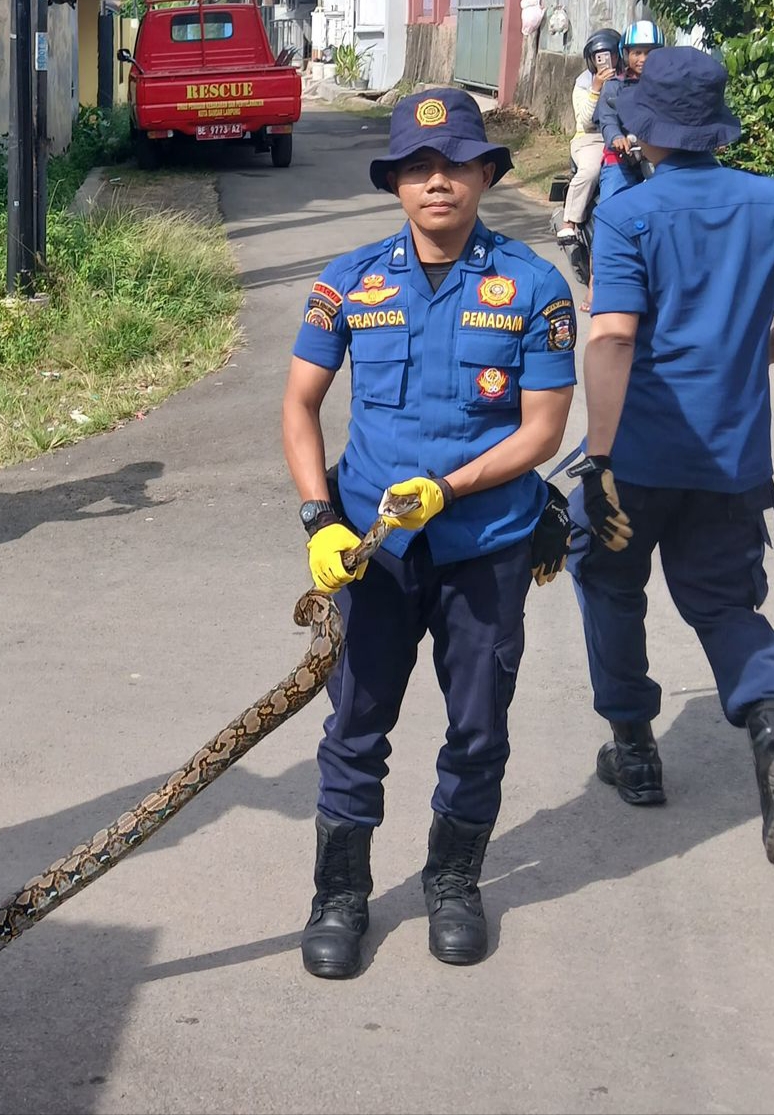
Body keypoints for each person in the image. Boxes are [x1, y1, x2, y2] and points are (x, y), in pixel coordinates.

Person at [281, 88, 576, 979]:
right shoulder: (350, 281)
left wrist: (448, 488)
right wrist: (318, 518)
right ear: (396, 184)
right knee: (354, 723)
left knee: (478, 726)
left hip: (485, 545)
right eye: (417, 166)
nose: (437, 181)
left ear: (486, 173)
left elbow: (542, 432)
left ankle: (453, 880)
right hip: (373, 551)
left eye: (454, 164)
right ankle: (339, 893)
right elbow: (299, 405)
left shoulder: (533, 285)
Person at [568, 46, 774, 867]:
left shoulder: (630, 213)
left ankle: (634, 749)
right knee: (727, 603)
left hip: (640, 452)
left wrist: (597, 456)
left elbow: (613, 337)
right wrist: (737, 356)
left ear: (647, 127)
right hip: (733, 455)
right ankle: (773, 727)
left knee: (608, 580)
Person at [559, 28, 621, 249]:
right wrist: (596, 88)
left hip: (623, 135)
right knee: (591, 170)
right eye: (599, 56)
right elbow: (585, 120)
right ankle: (569, 221)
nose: (605, 60)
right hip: (591, 138)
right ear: (591, 59)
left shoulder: (627, 78)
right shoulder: (584, 82)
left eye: (611, 54)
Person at [592, 21, 664, 207]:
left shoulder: (666, 85)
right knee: (610, 210)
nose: (643, 59)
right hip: (620, 159)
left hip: (658, 158)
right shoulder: (614, 86)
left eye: (650, 53)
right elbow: (607, 119)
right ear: (626, 54)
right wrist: (616, 137)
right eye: (637, 53)